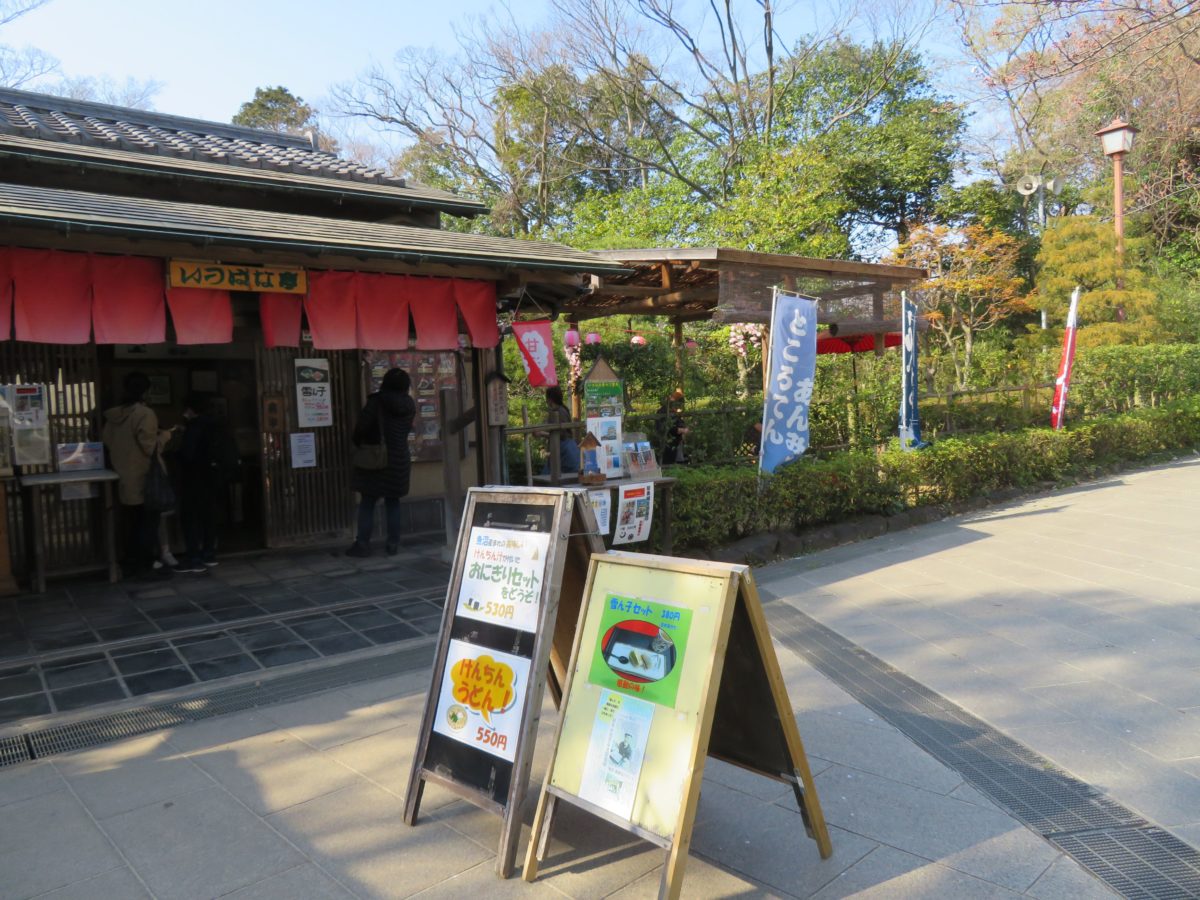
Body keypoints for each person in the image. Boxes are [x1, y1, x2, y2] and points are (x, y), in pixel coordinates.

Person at [102, 372, 168, 575]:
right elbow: (150, 447)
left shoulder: (114, 416)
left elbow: (106, 441)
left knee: (132, 522)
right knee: (148, 522)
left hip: (123, 475)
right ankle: (147, 563)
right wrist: (165, 436)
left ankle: (132, 562)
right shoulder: (144, 414)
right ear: (146, 391)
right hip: (144, 476)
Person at [347, 367, 416, 557]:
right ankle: (393, 544)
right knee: (393, 501)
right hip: (399, 459)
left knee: (368, 502)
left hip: (375, 459)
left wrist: (360, 443)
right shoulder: (409, 404)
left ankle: (362, 544)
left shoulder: (376, 402)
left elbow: (360, 429)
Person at [173, 392, 222, 573]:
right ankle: (209, 554)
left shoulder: (194, 427)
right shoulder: (214, 424)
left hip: (194, 478)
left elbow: (188, 455)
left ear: (190, 409)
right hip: (212, 477)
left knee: (190, 517)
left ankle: (193, 558)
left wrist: (175, 454)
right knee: (209, 516)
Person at [539, 386, 580, 475]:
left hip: (564, 451)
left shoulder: (558, 411)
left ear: (550, 399)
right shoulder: (563, 409)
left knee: (549, 476)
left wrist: (541, 433)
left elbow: (561, 435)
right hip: (568, 449)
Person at [656, 388, 689, 464]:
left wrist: (684, 429)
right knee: (669, 460)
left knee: (679, 459)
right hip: (668, 442)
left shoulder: (674, 411)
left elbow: (679, 423)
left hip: (676, 442)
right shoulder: (663, 412)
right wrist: (681, 430)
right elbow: (666, 427)